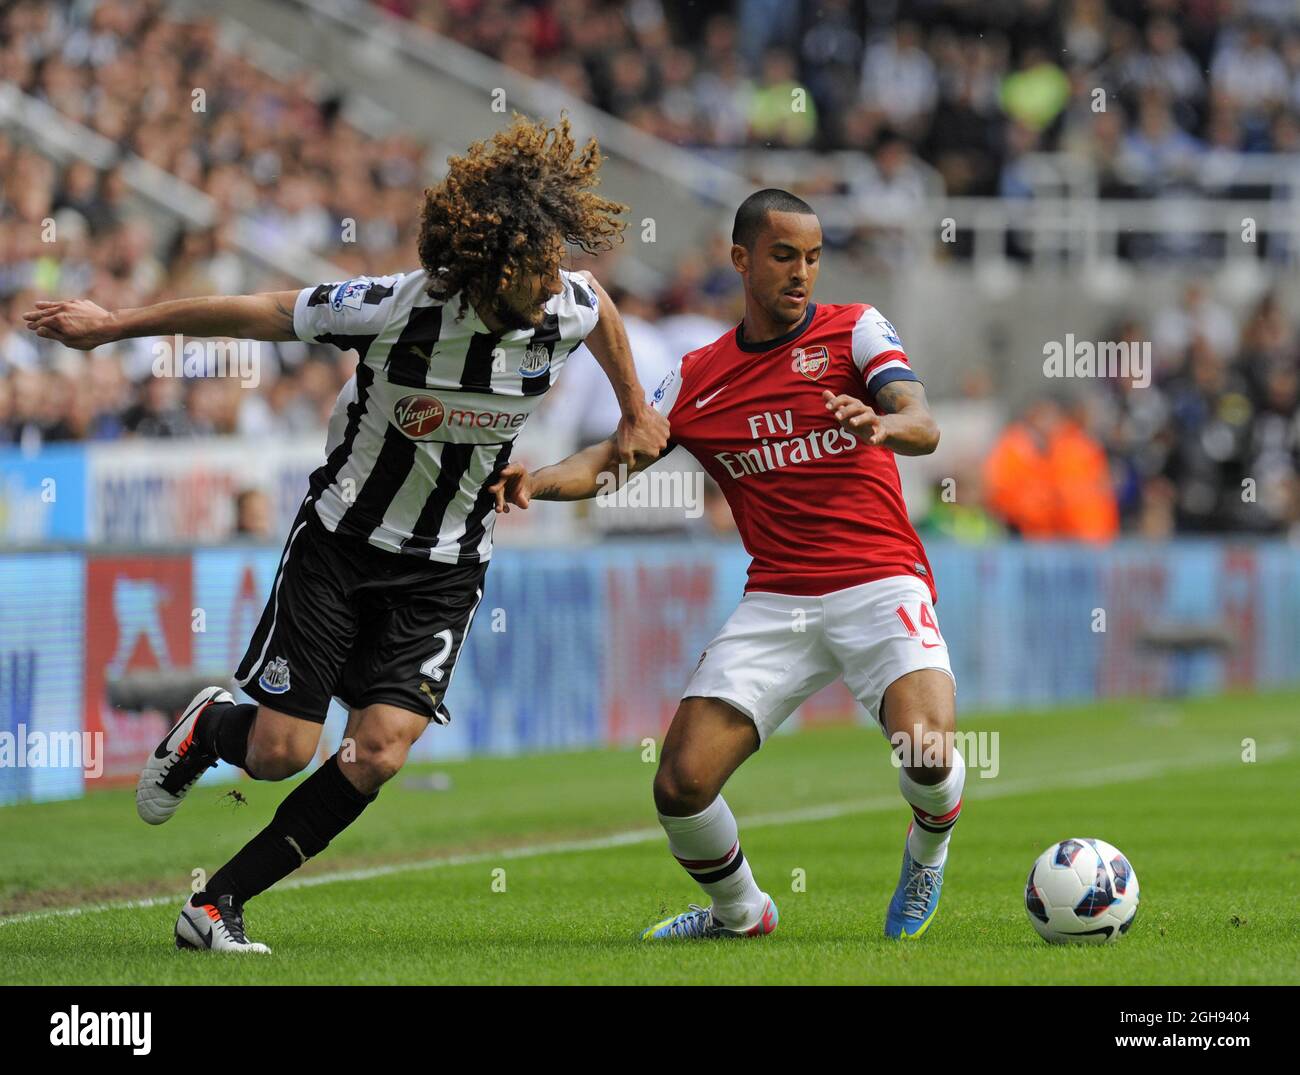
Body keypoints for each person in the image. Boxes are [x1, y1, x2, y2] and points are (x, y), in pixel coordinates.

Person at [24, 115, 669, 953]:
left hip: (447, 566)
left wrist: (635, 407)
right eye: (538, 269)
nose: (557, 283)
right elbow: (259, 310)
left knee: (378, 752)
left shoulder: (566, 305)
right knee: (280, 752)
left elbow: (604, 307)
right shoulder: (398, 308)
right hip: (339, 545)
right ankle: (207, 729)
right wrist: (114, 325)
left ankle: (214, 905)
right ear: (489, 269)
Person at [489, 189, 960, 941]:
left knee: (928, 750)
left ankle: (927, 851)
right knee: (679, 783)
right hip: (779, 599)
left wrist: (884, 422)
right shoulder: (699, 377)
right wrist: (534, 480)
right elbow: (617, 457)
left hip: (880, 580)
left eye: (811, 257)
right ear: (740, 259)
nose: (801, 272)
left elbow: (923, 422)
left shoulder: (855, 330)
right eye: (783, 256)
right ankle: (741, 913)